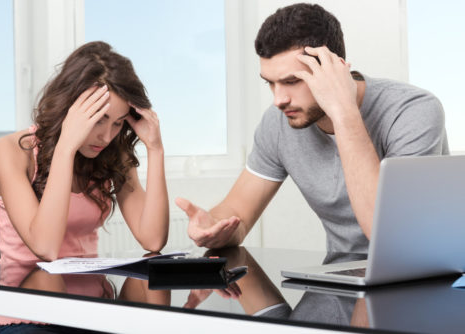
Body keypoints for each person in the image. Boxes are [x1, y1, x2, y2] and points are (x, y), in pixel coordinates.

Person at [176, 3, 449, 253]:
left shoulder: (414, 111)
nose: (279, 99)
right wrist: (214, 226)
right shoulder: (278, 121)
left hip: (422, 281)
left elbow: (389, 237)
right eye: (270, 82)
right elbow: (238, 213)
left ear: (335, 68)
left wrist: (343, 111)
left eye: (292, 81)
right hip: (340, 280)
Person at [0, 41, 169, 266]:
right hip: (26, 287)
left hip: (89, 291)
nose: (106, 137)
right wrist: (67, 147)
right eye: (97, 120)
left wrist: (156, 149)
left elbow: (152, 240)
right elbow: (45, 248)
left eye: (118, 123)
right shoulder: (10, 150)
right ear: (69, 108)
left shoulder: (112, 152)